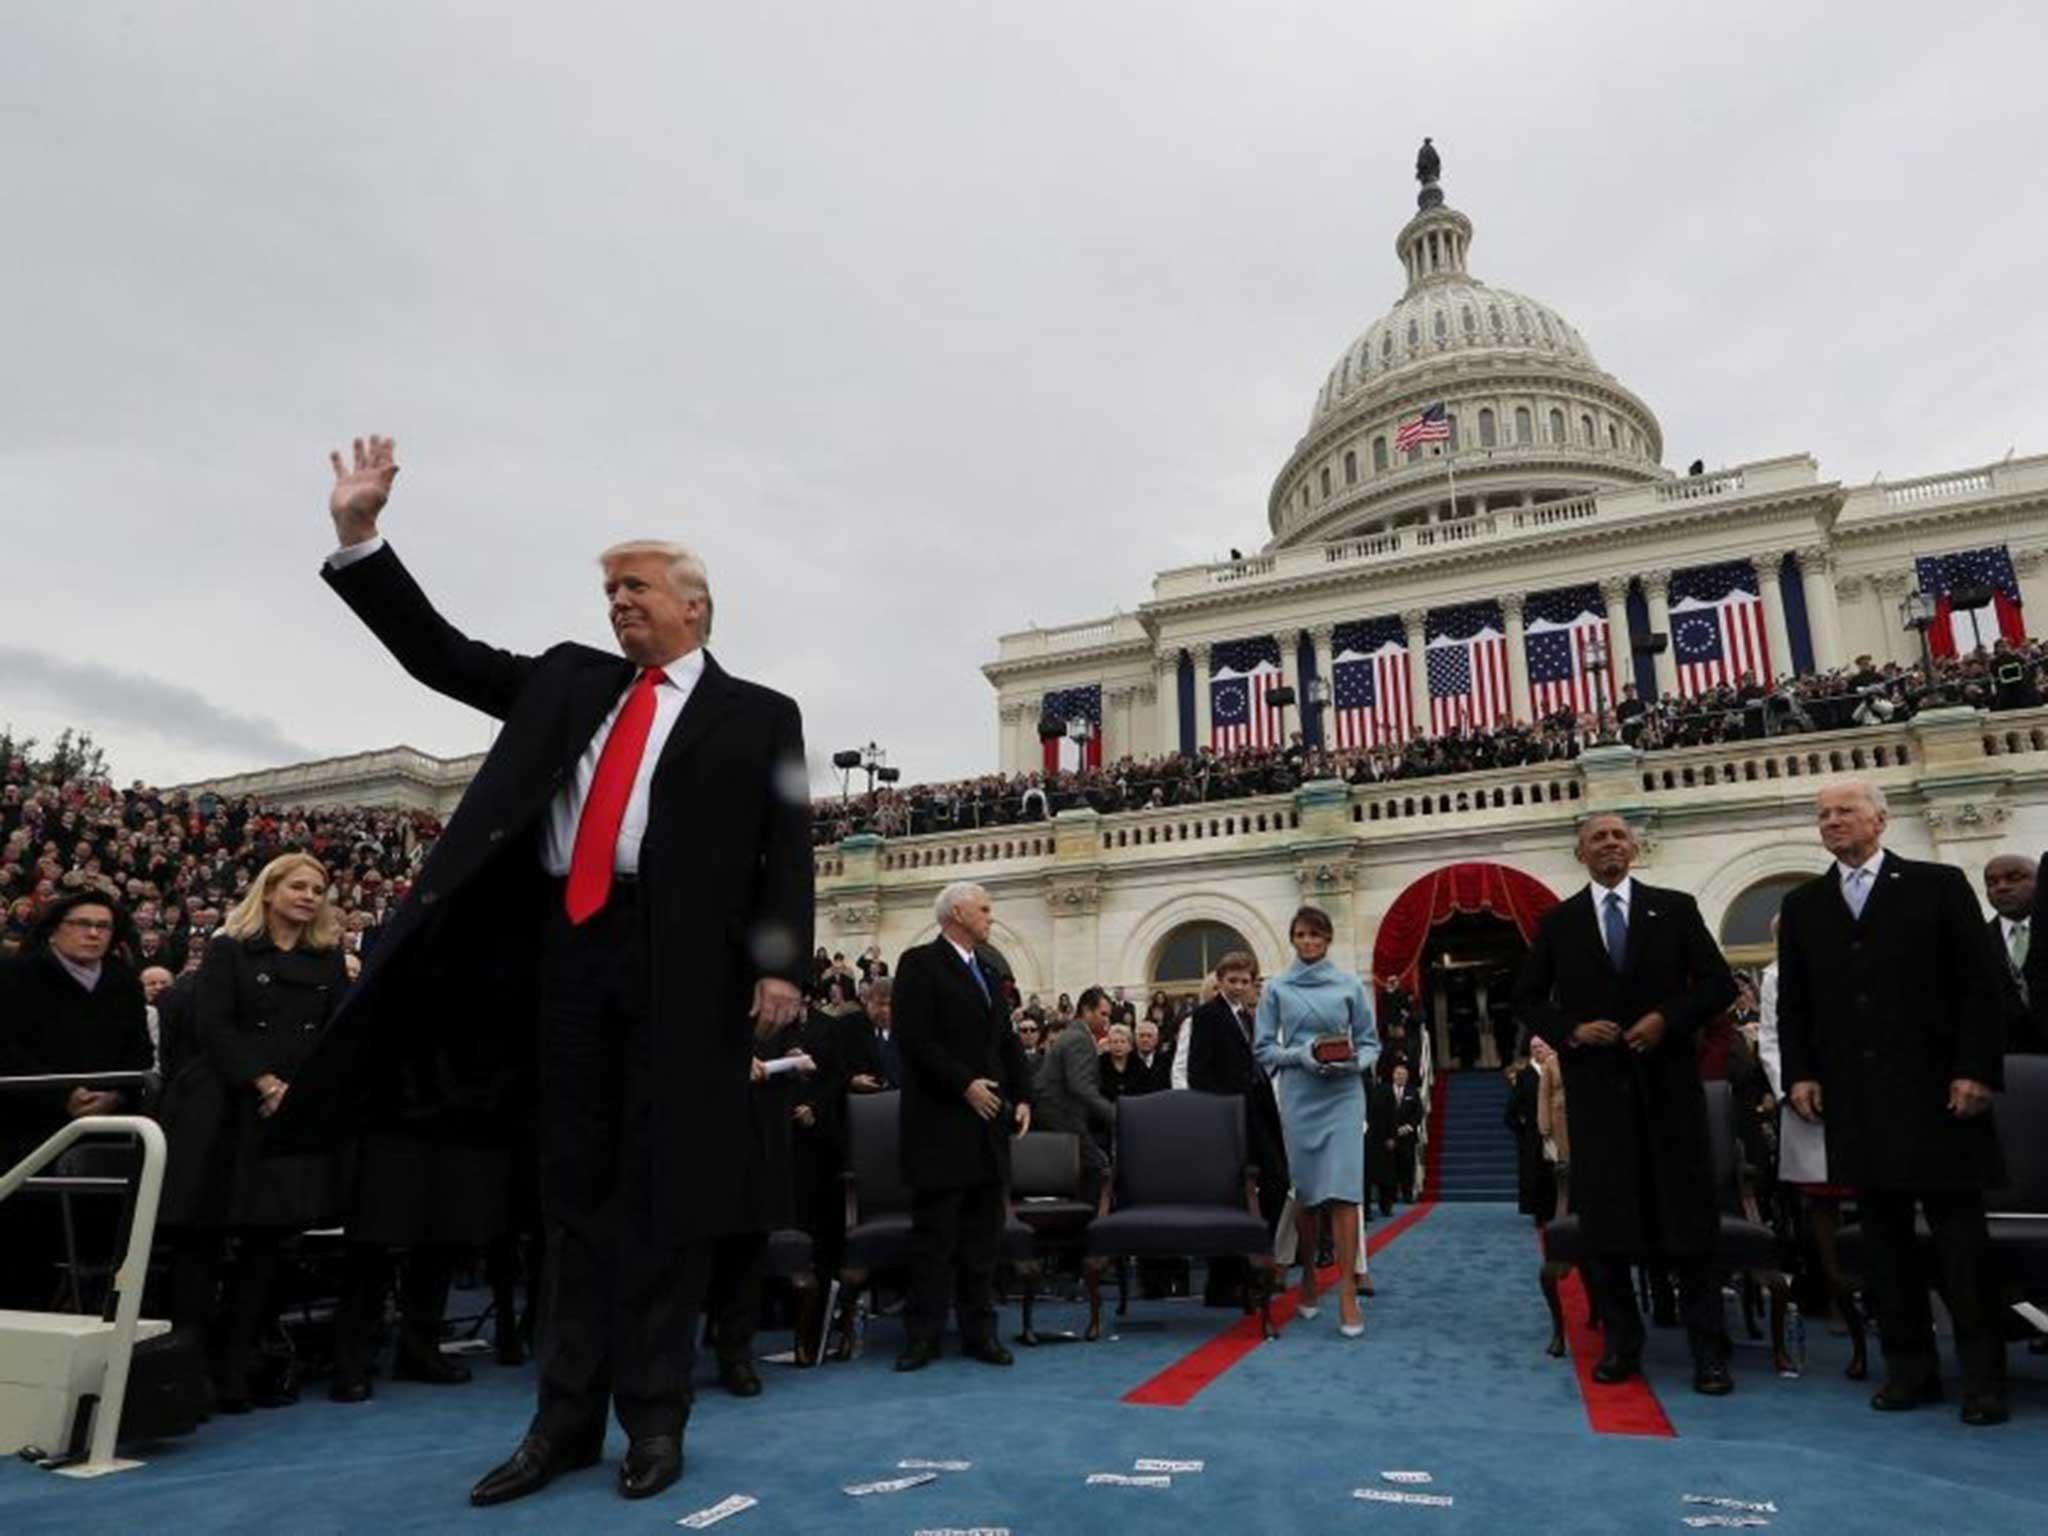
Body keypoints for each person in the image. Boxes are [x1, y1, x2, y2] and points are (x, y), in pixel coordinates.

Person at [284, 435, 813, 1505]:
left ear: (693, 607)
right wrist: (359, 536)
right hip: (564, 959)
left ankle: (654, 1421)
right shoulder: (569, 682)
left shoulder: (761, 714)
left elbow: (786, 843)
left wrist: (780, 965)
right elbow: (441, 654)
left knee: (665, 1199)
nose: (618, 602)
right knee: (569, 1200)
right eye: (608, 588)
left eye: (636, 586)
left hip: (682, 972)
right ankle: (561, 1423)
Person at [1777, 782, 2009, 1424]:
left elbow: (1978, 988)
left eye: (1844, 811)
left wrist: (1974, 1070)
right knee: (1884, 1247)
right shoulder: (1803, 904)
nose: (1832, 822)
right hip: (1857, 1102)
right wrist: (1800, 1074)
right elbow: (1793, 1003)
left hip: (1941, 1097)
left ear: (1880, 819)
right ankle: (1910, 1370)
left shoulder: (1937, 884)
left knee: (1961, 1246)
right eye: (1823, 815)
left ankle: (1984, 1380)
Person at [1513, 813, 1737, 1396]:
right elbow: (1527, 998)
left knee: (1688, 1224)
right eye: (1597, 839)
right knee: (1607, 1225)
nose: (1610, 845)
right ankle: (1621, 1344)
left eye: (1618, 836)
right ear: (1581, 853)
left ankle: (1709, 1350)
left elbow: (1717, 983)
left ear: (1634, 847)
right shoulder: (1559, 922)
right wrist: (1570, 1030)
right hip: (1596, 1096)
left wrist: (1669, 1019)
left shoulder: (1677, 907)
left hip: (1668, 1090)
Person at [156, 853, 348, 1411]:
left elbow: (334, 1032)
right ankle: (188, 1370)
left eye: (318, 888)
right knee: (203, 1239)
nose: (309, 895)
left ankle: (241, 1363)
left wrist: (296, 1091)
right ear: (268, 891)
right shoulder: (228, 949)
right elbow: (212, 1025)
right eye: (298, 885)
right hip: (222, 1108)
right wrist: (264, 1082)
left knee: (269, 1242)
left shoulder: (327, 958)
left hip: (289, 1112)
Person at [891, 882, 1033, 1372]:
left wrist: (1023, 1098)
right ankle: (922, 1337)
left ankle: (980, 1333)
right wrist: (964, 1085)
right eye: (985, 908)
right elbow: (914, 1039)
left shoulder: (990, 973)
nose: (991, 916)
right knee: (935, 1238)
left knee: (982, 1239)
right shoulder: (918, 964)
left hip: (987, 1126)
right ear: (957, 912)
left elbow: (1007, 1044)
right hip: (939, 1124)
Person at [0, 891, 154, 1308]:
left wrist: (115, 1096)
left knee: (100, 1247)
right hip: (26, 1130)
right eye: (82, 924)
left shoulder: (122, 980)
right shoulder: (15, 976)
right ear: (54, 930)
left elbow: (139, 1054)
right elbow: (7, 1049)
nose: (93, 934)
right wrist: (61, 1099)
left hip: (107, 1129)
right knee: (25, 1251)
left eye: (102, 926)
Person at [1254, 905, 1380, 1338]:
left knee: (1345, 1192)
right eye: (1301, 935)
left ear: (1328, 939)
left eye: (1316, 935)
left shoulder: (1348, 984)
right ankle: (1308, 1274)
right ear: (1292, 939)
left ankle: (1346, 1290)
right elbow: (1265, 1049)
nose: (1308, 942)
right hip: (1300, 1093)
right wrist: (1301, 1056)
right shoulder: (1276, 989)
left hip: (1344, 1094)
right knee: (1306, 1194)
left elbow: (1370, 1043)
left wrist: (1352, 1064)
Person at [1187, 953, 1288, 1304]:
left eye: (1246, 981)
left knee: (1277, 1181)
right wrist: (1221, 1112)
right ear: (1220, 980)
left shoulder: (1249, 1016)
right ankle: (1229, 1280)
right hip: (1227, 1120)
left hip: (1259, 1113)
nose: (1239, 986)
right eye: (1233, 980)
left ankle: (1255, 1262)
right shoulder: (1206, 1015)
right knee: (1230, 1196)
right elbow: (1198, 1074)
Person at [1033, 986, 1117, 1199]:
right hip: (1062, 1112)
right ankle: (1085, 1224)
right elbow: (1080, 1086)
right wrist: (1114, 1114)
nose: (1106, 1020)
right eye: (1103, 1014)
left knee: (1089, 1166)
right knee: (1096, 1166)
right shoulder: (1079, 1038)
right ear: (1087, 1010)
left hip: (1060, 1112)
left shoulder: (1075, 1034)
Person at [1982, 853, 2038, 1051]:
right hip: (2012, 1064)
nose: (2002, 887)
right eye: (1992, 882)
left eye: (2015, 878)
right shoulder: (1977, 941)